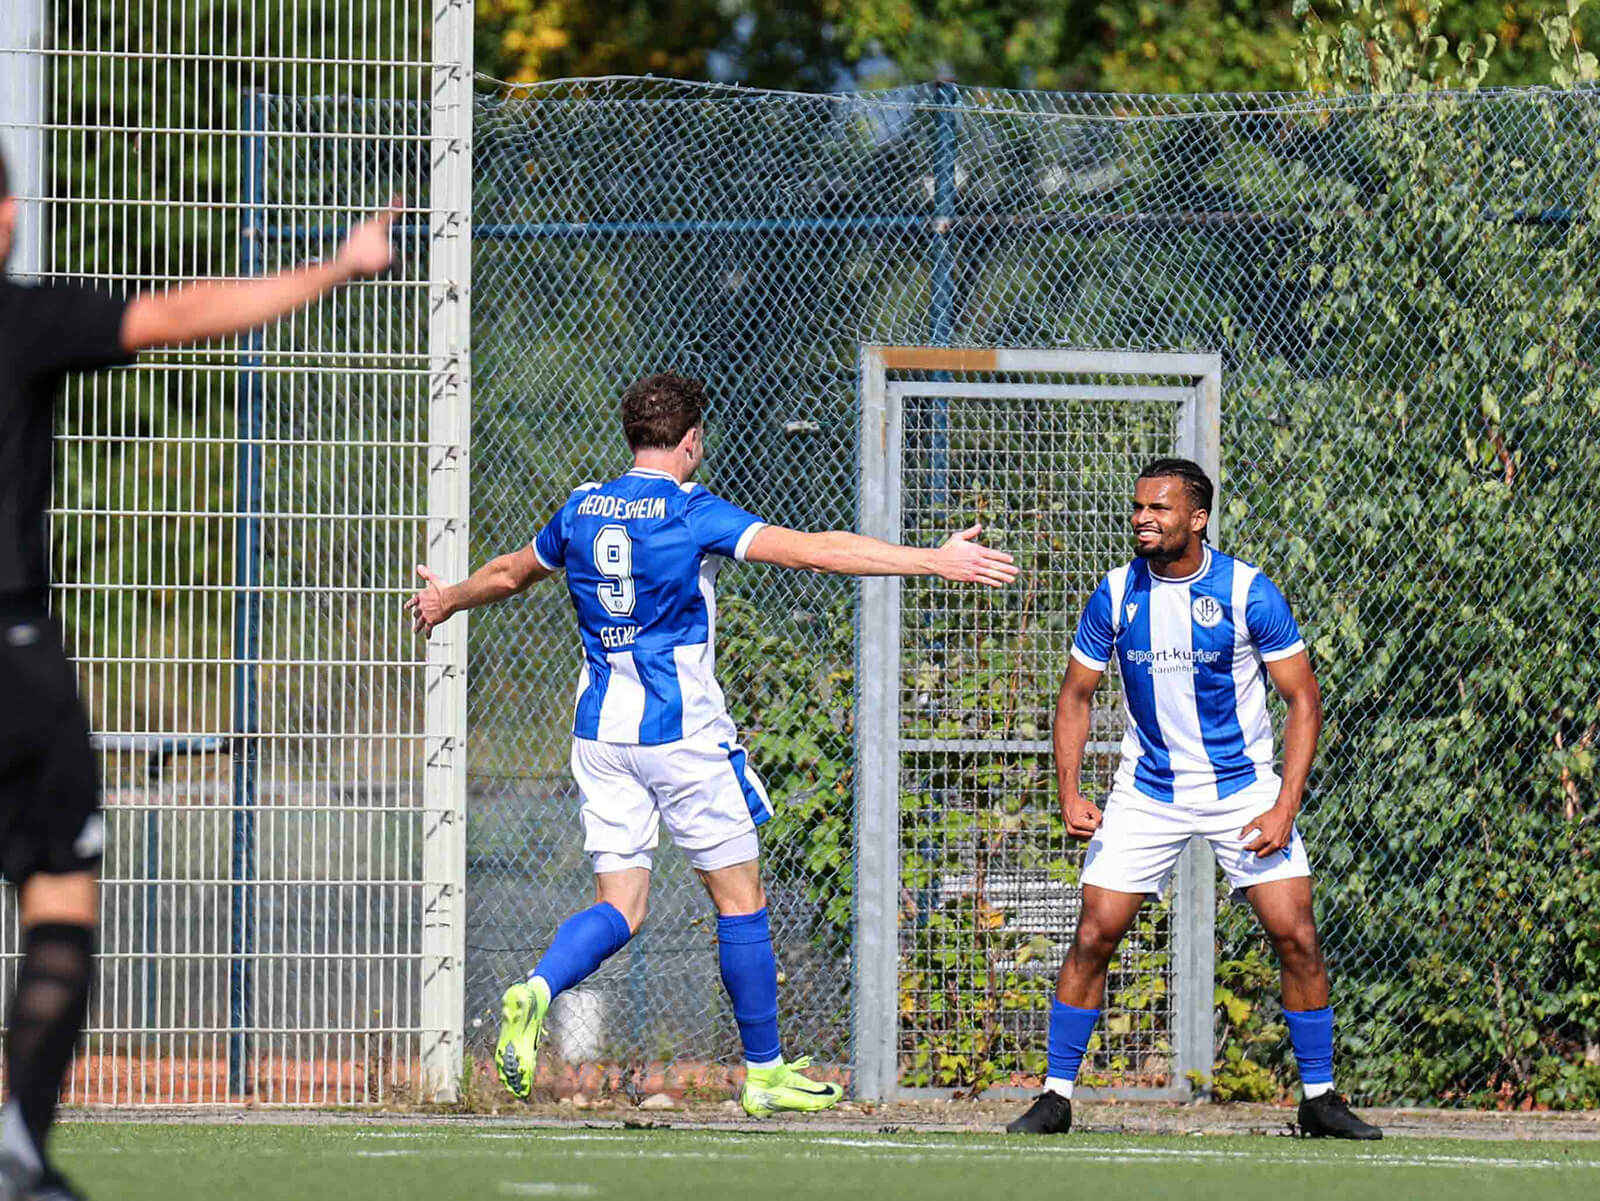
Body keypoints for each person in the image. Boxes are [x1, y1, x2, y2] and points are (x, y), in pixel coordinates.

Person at [406, 371, 1017, 1115]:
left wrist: (445, 598)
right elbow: (814, 552)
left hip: (600, 736)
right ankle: (764, 1071)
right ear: (692, 441)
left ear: (631, 434)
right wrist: (932, 558)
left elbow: (508, 573)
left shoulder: (580, 506)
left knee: (622, 907)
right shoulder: (691, 510)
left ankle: (537, 987)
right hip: (681, 735)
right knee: (740, 898)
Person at [0, 147, 397, 1200]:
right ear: (4, 216)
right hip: (12, 659)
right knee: (58, 904)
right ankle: (19, 1149)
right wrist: (336, 265)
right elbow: (181, 312)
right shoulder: (23, 319)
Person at [1005, 457, 1381, 1140]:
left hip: (1243, 790)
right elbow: (1074, 696)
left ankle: (1319, 1096)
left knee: (1296, 932)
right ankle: (1055, 1095)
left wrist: (1284, 805)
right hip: (1148, 790)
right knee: (1094, 932)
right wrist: (1069, 789)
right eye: (1138, 507)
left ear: (1197, 518)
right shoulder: (1116, 593)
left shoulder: (1248, 592)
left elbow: (1304, 701)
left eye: (1160, 508)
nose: (1143, 519)